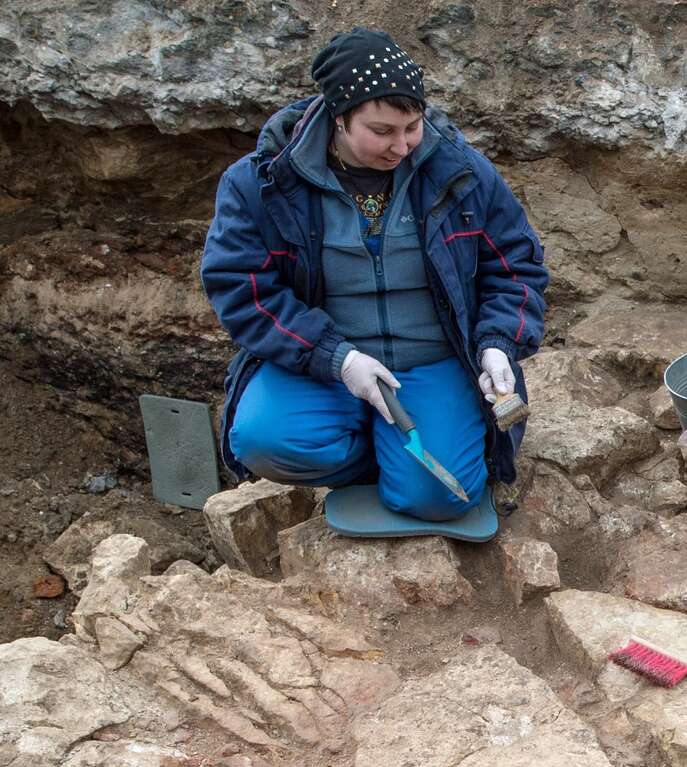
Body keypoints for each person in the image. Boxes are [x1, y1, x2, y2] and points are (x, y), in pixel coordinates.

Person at [201, 27, 549, 521]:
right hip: (326, 366)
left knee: (441, 497)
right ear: (338, 117)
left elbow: (516, 266)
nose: (402, 146)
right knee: (265, 442)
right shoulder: (261, 184)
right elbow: (243, 292)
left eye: (413, 126)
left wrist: (497, 341)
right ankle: (379, 446)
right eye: (382, 131)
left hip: (432, 360)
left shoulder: (459, 171)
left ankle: (413, 454)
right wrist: (337, 359)